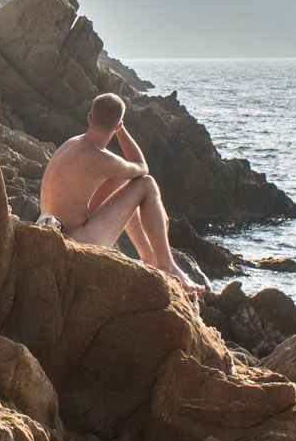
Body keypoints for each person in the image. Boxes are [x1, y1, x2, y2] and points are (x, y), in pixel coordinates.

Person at [38, 93, 207, 293]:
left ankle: (149, 258)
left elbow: (124, 173)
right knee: (148, 184)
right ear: (118, 125)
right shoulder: (101, 159)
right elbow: (142, 168)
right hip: (76, 244)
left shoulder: (71, 143)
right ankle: (166, 265)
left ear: (90, 117)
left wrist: (117, 127)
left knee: (122, 178)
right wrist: (121, 130)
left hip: (50, 233)